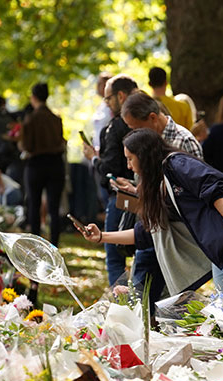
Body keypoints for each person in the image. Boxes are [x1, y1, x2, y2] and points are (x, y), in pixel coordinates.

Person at [80, 128, 223, 293]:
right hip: (220, 247)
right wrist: (102, 236)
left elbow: (215, 189)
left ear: (143, 156)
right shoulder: (159, 183)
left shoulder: (177, 164)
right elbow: (146, 231)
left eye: (130, 159)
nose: (128, 166)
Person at [120, 91, 204, 298]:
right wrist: (135, 189)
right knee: (140, 294)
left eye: (135, 128)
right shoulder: (145, 143)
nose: (133, 135)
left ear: (152, 118)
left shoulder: (183, 141)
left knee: (169, 299)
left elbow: (194, 190)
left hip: (174, 234)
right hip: (151, 227)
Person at [82, 75, 138, 287]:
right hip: (145, 197)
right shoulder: (153, 117)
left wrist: (94, 158)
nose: (106, 103)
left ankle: (122, 303)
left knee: (115, 255)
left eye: (107, 99)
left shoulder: (116, 127)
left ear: (120, 96)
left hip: (123, 198)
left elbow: (109, 171)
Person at [18, 82, 67, 247]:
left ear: (33, 98)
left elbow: (26, 145)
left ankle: (37, 244)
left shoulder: (30, 120)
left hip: (36, 164)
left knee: (34, 204)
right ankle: (54, 243)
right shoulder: (55, 119)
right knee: (54, 207)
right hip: (55, 163)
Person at [121, 91, 203, 158]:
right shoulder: (147, 142)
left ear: (153, 118)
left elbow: (197, 177)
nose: (136, 134)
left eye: (138, 128)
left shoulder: (184, 141)